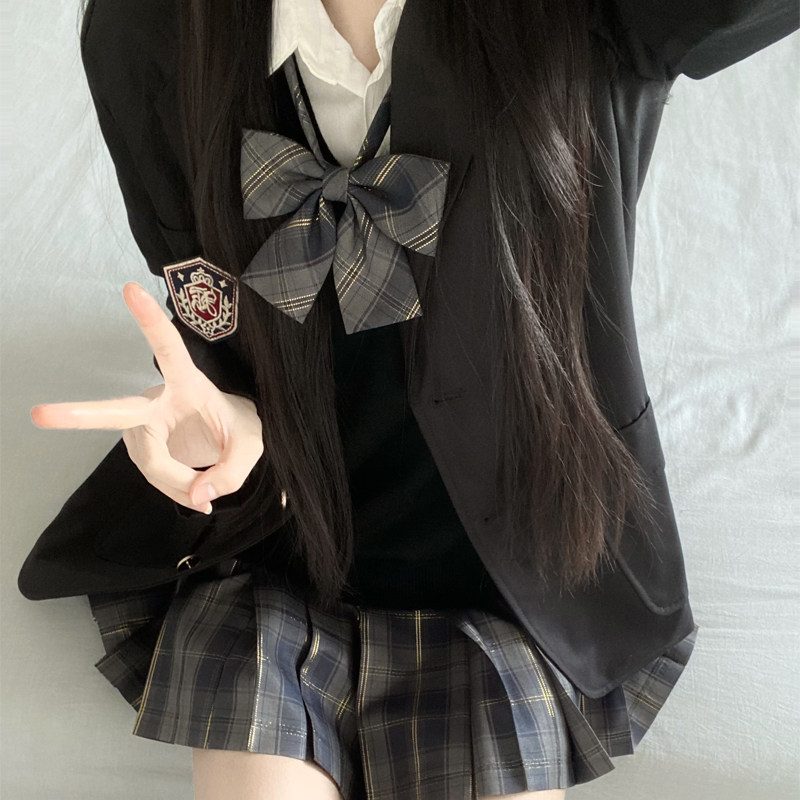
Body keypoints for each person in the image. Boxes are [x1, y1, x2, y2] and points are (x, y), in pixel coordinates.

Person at [17, 0, 798, 798]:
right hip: (283, 554)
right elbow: (207, 311)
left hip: (516, 572)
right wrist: (216, 423)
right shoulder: (149, 27)